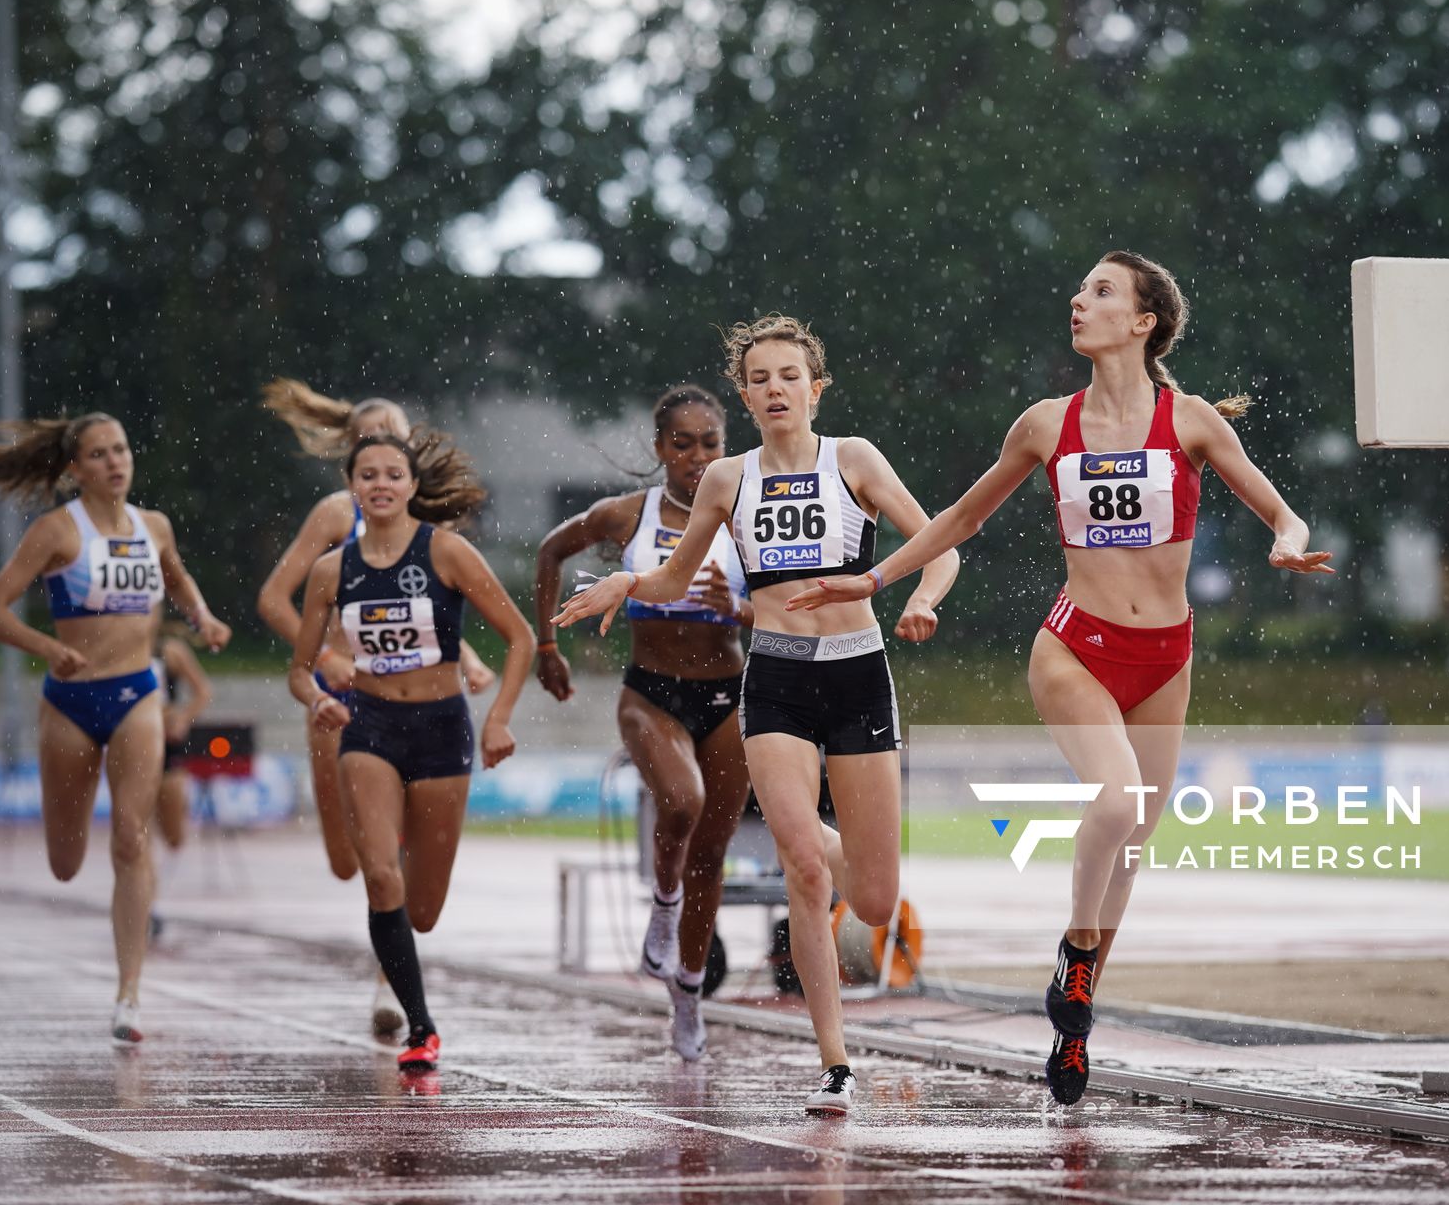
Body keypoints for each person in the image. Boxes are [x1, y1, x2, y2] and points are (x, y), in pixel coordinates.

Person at [792, 252, 1332, 1105]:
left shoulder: (1190, 423)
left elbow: (1281, 507)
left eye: (1101, 292)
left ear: (1144, 320)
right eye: (1081, 290)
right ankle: (1077, 962)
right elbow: (963, 516)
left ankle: (1072, 1014)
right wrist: (874, 579)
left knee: (1132, 842)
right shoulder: (1047, 424)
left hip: (1166, 660)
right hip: (1075, 649)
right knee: (1114, 805)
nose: (1079, 302)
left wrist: (1286, 540)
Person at [556, 315, 959, 1115]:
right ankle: (836, 1064)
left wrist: (920, 599)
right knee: (802, 868)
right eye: (761, 379)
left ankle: (837, 853)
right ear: (745, 395)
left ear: (817, 388)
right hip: (773, 681)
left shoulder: (855, 461)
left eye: (789, 376)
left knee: (873, 902)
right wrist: (623, 585)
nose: (775, 390)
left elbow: (941, 545)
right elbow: (673, 580)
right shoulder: (726, 480)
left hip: (858, 678)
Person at [0, 413, 233, 1043]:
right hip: (69, 702)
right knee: (66, 863)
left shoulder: (155, 527)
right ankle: (119, 971)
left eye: (121, 449)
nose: (115, 462)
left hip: (137, 695)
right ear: (75, 470)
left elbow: (176, 574)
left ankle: (129, 997)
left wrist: (201, 616)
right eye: (98, 454)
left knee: (129, 840)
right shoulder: (57, 532)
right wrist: (45, 647)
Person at [287, 430, 534, 1071]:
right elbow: (299, 667)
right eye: (367, 475)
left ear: (412, 486)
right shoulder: (330, 571)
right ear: (352, 487)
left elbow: (520, 638)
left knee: (421, 910)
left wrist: (498, 719)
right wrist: (317, 698)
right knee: (380, 876)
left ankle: (411, 990)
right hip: (368, 727)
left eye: (392, 474)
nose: (381, 485)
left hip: (441, 728)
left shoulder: (447, 552)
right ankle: (421, 1028)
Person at [259, 379, 494, 1035]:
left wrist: (468, 661)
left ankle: (391, 983)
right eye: (366, 444)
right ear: (350, 455)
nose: (381, 459)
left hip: (420, 704)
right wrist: (326, 662)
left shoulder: (426, 522)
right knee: (348, 858)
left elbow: (430, 617)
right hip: (342, 693)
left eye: (393, 437)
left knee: (390, 860)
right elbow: (275, 598)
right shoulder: (337, 515)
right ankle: (392, 953)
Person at [534, 385, 754, 1062]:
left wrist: (740, 610)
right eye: (681, 444)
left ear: (725, 447)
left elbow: (798, 606)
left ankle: (687, 995)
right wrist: (546, 644)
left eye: (710, 443)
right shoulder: (627, 515)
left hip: (727, 692)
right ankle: (662, 902)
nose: (696, 456)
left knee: (713, 855)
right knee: (681, 803)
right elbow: (549, 553)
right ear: (659, 449)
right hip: (651, 691)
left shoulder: (748, 516)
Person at [149, 622, 213, 933]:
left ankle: (156, 896)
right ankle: (148, 905)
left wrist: (182, 717)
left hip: (167, 749)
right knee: (135, 833)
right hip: (132, 748)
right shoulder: (116, 644)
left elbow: (202, 691)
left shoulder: (170, 651)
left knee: (174, 835)